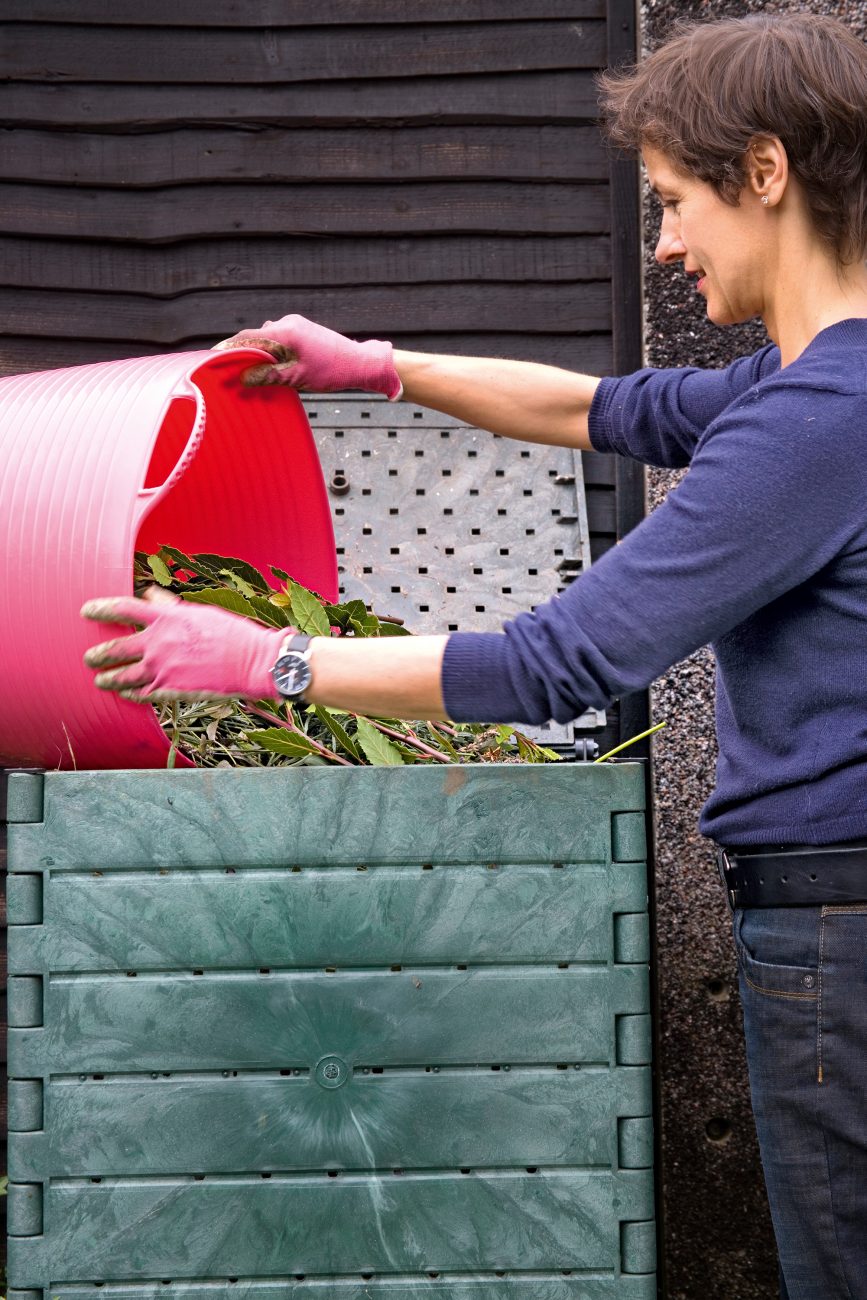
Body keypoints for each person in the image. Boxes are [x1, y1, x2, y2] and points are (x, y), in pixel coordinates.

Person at [82, 14, 867, 1298]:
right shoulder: (809, 389)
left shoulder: (809, 424)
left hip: (841, 933)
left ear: (766, 173)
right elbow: (591, 408)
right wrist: (376, 368)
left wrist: (267, 661)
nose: (665, 243)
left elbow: (563, 658)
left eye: (674, 202)